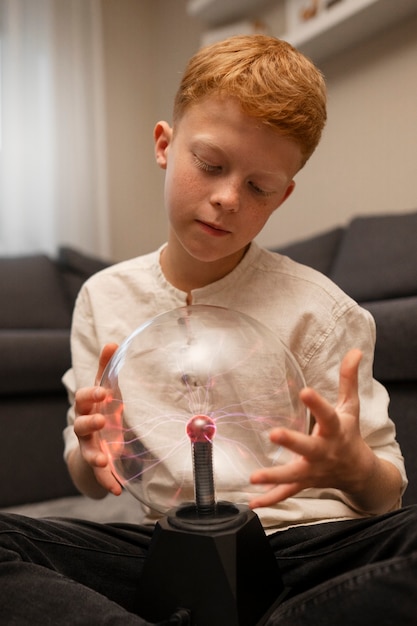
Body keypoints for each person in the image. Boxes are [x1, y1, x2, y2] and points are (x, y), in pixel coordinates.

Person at [1, 34, 416, 625]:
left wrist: (353, 467)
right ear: (165, 145)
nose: (226, 198)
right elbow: (92, 476)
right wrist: (92, 453)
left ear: (284, 196)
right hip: (166, 548)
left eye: (258, 187)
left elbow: (386, 493)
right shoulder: (105, 298)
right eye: (211, 165)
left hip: (302, 548)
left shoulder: (323, 313)